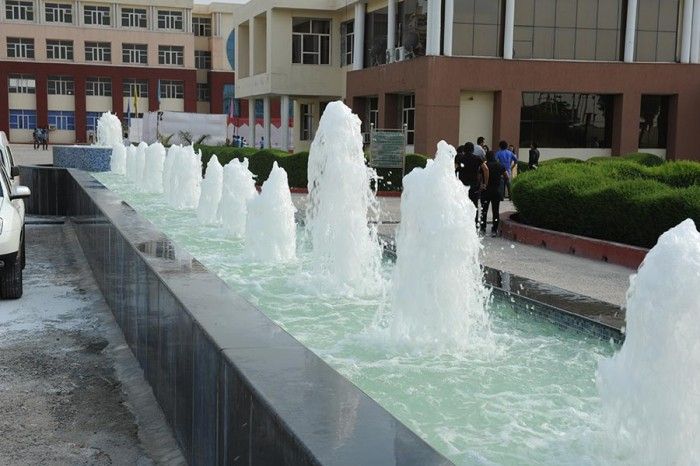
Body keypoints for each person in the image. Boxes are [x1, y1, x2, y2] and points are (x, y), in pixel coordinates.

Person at [455, 142, 489, 227]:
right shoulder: (477, 158)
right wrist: (485, 183)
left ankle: (463, 224)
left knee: (462, 205)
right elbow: (486, 169)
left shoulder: (460, 158)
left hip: (462, 186)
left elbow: (454, 169)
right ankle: (474, 225)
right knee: (474, 206)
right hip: (474, 186)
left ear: (464, 150)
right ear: (473, 150)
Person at [481, 151, 507, 237]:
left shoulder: (484, 166)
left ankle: (483, 228)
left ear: (486, 157)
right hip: (496, 191)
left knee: (484, 211)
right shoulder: (500, 165)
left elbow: (480, 177)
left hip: (486, 191)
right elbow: (506, 176)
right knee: (495, 211)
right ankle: (494, 230)